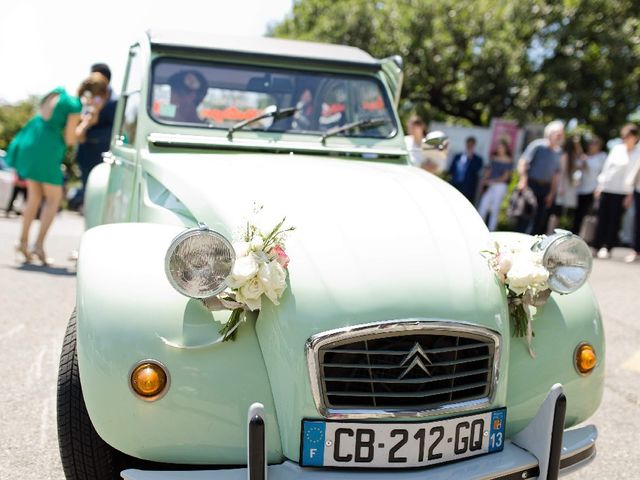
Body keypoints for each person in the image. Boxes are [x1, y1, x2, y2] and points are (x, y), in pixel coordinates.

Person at [6, 74, 108, 265]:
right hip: (48, 150)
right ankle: (38, 245)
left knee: (34, 198)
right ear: (97, 95)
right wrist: (86, 122)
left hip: (31, 143)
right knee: (54, 198)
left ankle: (23, 242)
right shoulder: (74, 105)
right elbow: (71, 139)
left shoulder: (57, 93)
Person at [73, 63, 118, 209]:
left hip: (101, 156)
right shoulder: (86, 97)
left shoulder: (115, 102)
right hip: (85, 155)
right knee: (88, 194)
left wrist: (88, 135)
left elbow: (113, 131)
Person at [592, 123, 640, 259]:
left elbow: (634, 175)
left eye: (628, 136)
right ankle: (596, 245)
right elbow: (607, 168)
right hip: (608, 188)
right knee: (602, 218)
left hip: (623, 192)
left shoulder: (638, 153)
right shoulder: (617, 149)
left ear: (635, 137)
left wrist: (630, 194)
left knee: (614, 220)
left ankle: (607, 246)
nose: (625, 139)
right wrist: (600, 185)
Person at [516, 120, 564, 234]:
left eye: (561, 134)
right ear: (549, 133)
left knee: (539, 219)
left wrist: (552, 193)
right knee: (525, 217)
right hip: (531, 185)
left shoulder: (558, 152)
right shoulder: (537, 145)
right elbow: (523, 162)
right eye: (557, 133)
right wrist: (523, 180)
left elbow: (556, 174)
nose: (560, 136)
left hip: (546, 188)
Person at [573, 136, 607, 235]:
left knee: (591, 215)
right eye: (591, 144)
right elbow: (579, 168)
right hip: (581, 190)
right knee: (578, 214)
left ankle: (589, 237)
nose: (592, 146)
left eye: (595, 144)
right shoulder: (584, 157)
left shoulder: (602, 156)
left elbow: (604, 172)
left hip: (594, 190)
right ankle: (575, 234)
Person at [477, 140, 513, 231]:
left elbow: (505, 177)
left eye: (501, 147)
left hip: (500, 186)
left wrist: (491, 181)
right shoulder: (494, 158)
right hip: (491, 185)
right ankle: (479, 228)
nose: (499, 149)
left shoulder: (508, 160)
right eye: (498, 147)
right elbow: (489, 171)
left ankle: (491, 230)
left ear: (505, 149)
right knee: (483, 205)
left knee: (495, 209)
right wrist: (484, 181)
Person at [549, 135, 583, 232]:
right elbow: (563, 172)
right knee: (557, 212)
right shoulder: (565, 156)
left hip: (569, 187)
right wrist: (561, 187)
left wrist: (578, 145)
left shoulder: (573, 157)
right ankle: (551, 232)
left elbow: (582, 161)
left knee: (563, 212)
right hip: (563, 186)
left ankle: (556, 231)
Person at [448, 136, 484, 203]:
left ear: (474, 145)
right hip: (455, 184)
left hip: (468, 188)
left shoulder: (478, 159)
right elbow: (451, 169)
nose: (469, 146)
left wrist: (470, 159)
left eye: (471, 144)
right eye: (468, 144)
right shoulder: (457, 156)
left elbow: (477, 170)